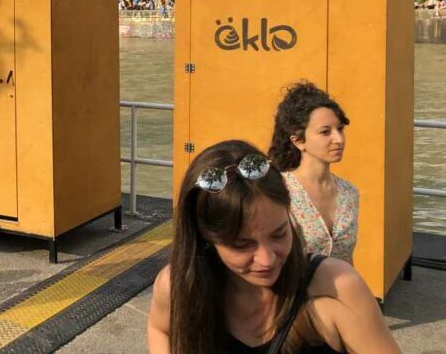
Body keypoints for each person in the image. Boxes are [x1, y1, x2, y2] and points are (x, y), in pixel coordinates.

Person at [147, 139, 398, 353]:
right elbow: (161, 329)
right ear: (206, 238)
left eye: (279, 234)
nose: (267, 259)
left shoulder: (337, 286)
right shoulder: (178, 287)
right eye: (242, 244)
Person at [269, 82, 358, 264]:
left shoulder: (350, 192)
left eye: (340, 129)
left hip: (340, 290)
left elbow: (348, 261)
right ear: (298, 141)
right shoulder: (279, 191)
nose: (339, 139)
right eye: (325, 132)